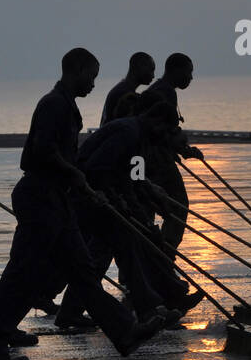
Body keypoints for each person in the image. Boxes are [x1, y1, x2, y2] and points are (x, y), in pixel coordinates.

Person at [0, 48, 163, 360]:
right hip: (39, 198)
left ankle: (126, 332)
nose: (93, 84)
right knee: (22, 274)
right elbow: (38, 154)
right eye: (92, 76)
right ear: (76, 71)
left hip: (59, 201)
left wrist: (79, 184)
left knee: (84, 272)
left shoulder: (68, 107)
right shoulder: (53, 105)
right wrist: (73, 173)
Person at [58, 105, 203, 326]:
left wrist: (149, 196)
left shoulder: (140, 137)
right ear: (155, 120)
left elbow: (133, 177)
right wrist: (123, 204)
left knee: (129, 246)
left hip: (104, 198)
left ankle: (156, 304)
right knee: (124, 247)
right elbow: (99, 170)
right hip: (88, 198)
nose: (164, 137)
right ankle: (156, 304)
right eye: (165, 130)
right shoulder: (129, 134)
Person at [137, 53, 203, 250]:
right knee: (178, 207)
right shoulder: (165, 92)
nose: (191, 78)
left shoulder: (160, 90)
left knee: (147, 208)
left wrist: (183, 150)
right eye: (188, 73)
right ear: (175, 71)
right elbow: (161, 131)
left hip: (147, 160)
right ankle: (165, 254)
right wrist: (181, 148)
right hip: (157, 161)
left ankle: (149, 257)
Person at [100, 52, 156, 127]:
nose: (153, 75)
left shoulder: (121, 89)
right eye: (151, 70)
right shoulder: (124, 94)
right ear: (139, 67)